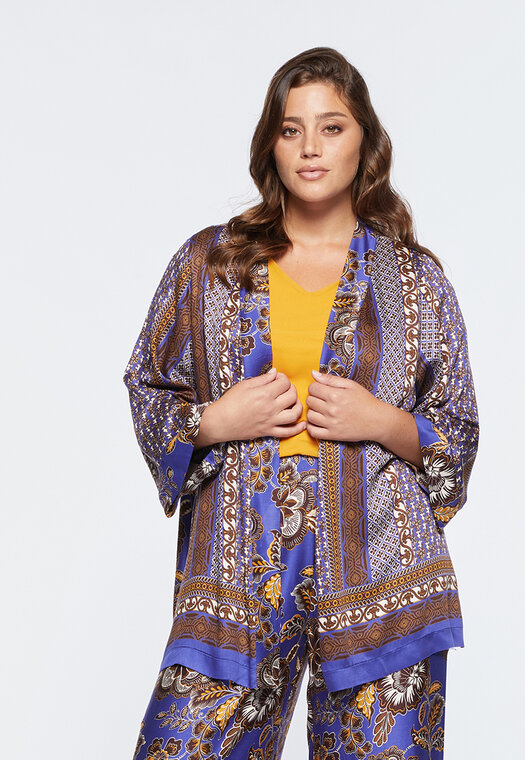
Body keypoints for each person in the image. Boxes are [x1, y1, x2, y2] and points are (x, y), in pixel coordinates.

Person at [123, 46, 479, 760]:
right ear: (272, 144)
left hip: (381, 563)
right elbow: (148, 381)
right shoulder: (210, 263)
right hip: (237, 566)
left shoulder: (414, 280)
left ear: (364, 142)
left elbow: (459, 430)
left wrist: (381, 422)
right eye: (291, 129)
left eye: (331, 127)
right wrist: (214, 421)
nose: (310, 147)